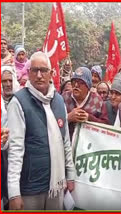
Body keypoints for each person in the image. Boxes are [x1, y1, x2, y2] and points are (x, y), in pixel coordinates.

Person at [7, 51, 75, 210]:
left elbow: (65, 141)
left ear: (51, 74)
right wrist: (14, 193)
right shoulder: (19, 102)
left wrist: (70, 175)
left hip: (56, 186)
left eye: (43, 70)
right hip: (30, 187)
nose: (39, 75)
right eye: (34, 70)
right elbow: (15, 149)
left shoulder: (58, 100)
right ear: (28, 73)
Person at [62, 67, 109, 140]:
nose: (76, 85)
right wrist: (68, 118)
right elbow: (54, 122)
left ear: (88, 86)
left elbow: (105, 126)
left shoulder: (97, 101)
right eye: (74, 82)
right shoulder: (64, 97)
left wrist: (89, 118)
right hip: (67, 144)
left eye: (81, 83)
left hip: (88, 147)